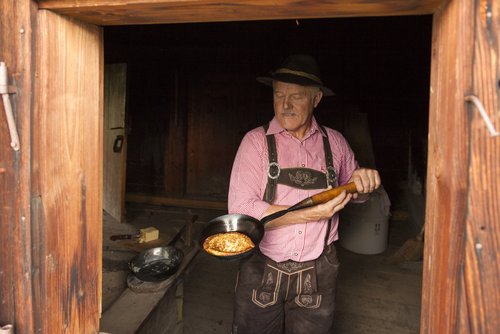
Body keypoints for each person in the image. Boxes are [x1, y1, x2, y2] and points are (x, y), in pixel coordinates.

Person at [227, 54, 381, 334]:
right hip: (263, 268)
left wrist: (363, 183)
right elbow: (242, 209)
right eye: (279, 95)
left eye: (295, 96)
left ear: (316, 99)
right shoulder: (256, 142)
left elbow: (357, 194)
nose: (285, 105)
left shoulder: (335, 142)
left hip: (319, 271)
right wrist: (310, 215)